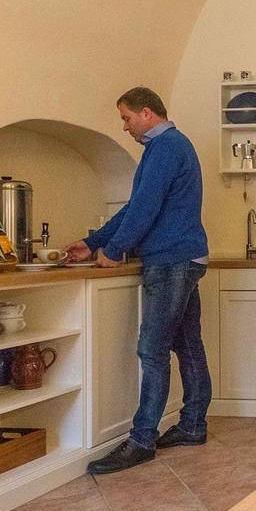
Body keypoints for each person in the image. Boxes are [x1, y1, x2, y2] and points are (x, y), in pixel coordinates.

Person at [68, 87, 212, 474]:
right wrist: (93, 242)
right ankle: (193, 425)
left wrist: (115, 249)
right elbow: (136, 206)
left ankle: (142, 439)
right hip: (185, 256)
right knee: (188, 344)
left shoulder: (165, 147)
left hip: (171, 260)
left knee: (152, 349)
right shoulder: (169, 146)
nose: (125, 126)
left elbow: (145, 207)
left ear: (147, 113)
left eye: (126, 118)